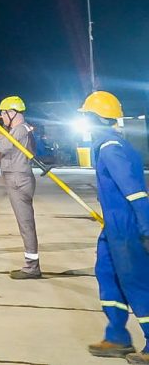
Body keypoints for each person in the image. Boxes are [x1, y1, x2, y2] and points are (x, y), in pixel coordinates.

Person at [77, 91, 149, 362]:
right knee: (107, 275)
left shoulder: (111, 149)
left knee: (137, 283)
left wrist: (146, 228)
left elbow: (135, 193)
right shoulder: (112, 145)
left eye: (86, 117)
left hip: (128, 228)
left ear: (96, 119)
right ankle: (117, 336)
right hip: (113, 230)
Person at [0, 96, 41, 279]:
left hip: (17, 178)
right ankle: (31, 265)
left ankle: (32, 267)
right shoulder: (26, 129)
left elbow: (0, 146)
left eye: (3, 114)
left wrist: (5, 133)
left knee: (26, 224)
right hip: (21, 177)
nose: (2, 117)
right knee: (26, 223)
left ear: (12, 113)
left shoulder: (18, 130)